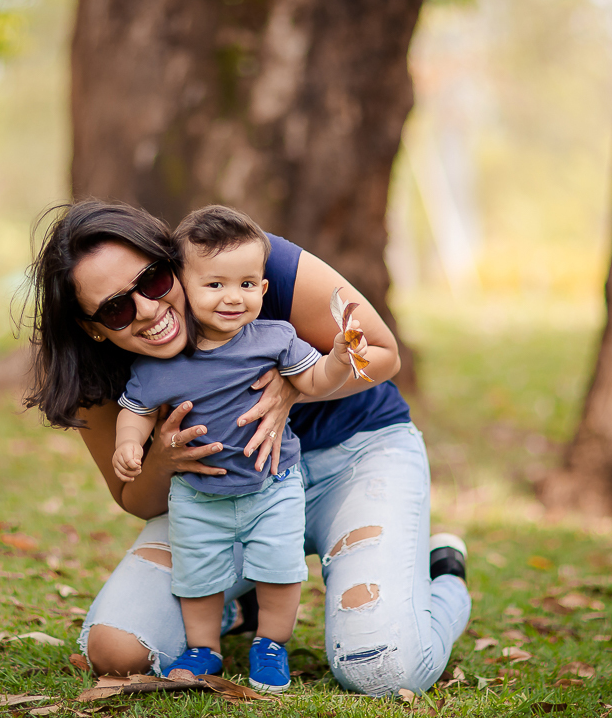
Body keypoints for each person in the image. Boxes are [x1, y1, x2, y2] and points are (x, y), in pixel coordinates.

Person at [24, 199, 471, 697]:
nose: (148, 310)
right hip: (218, 495)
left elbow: (383, 355)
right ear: (92, 327)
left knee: (383, 668)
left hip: (355, 456)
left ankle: (443, 577)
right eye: (115, 308)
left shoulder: (249, 262)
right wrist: (161, 461)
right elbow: (134, 499)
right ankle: (239, 605)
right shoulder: (94, 372)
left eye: (152, 280)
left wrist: (294, 385)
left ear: (171, 258)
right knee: (118, 650)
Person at [112, 206, 367, 692]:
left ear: (263, 290)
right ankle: (203, 648)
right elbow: (137, 409)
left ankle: (270, 644)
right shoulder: (161, 363)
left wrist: (337, 358)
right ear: (183, 287)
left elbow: (312, 380)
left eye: (247, 285)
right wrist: (129, 444)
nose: (233, 298)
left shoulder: (275, 339)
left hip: (271, 486)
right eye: (215, 285)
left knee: (279, 570)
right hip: (197, 493)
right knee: (197, 574)